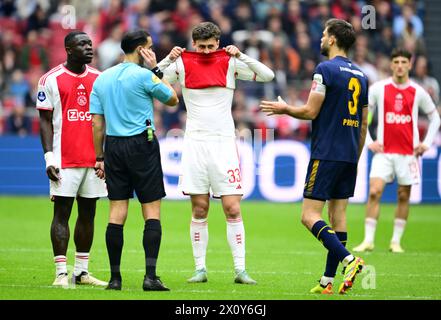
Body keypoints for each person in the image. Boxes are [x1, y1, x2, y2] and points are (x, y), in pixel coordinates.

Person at [157, 21, 274, 284]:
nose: (208, 52)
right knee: (199, 208)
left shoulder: (231, 63)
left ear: (218, 44)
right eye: (202, 47)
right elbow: (152, 81)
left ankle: (240, 270)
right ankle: (200, 269)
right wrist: (166, 60)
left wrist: (240, 55)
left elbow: (268, 75)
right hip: (195, 143)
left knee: (232, 208)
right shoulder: (182, 64)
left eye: (212, 46)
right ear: (193, 45)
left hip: (223, 143)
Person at [260, 18, 368, 294]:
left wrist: (284, 109)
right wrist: (355, 155)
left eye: (323, 34)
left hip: (327, 152)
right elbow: (364, 121)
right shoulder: (362, 75)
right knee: (339, 217)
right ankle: (328, 282)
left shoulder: (325, 70)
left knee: (309, 216)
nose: (320, 38)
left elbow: (310, 111)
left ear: (332, 39)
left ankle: (349, 259)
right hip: (349, 154)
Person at [90, 30, 179, 291]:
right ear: (141, 49)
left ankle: (115, 279)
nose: (152, 51)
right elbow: (172, 99)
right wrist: (157, 69)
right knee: (151, 211)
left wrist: (100, 157)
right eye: (150, 47)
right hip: (143, 144)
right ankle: (150, 277)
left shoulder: (102, 79)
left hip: (114, 146)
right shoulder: (144, 75)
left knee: (116, 213)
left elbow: (96, 123)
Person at [36, 31, 108, 287]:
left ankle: (81, 272)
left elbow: (104, 120)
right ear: (68, 49)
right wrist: (49, 159)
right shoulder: (50, 79)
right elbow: (45, 121)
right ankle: (60, 274)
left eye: (90, 43)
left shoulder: (100, 79)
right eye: (82, 44)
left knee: (88, 214)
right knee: (62, 214)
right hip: (64, 160)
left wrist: (104, 156)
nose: (89, 48)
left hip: (93, 161)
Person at [353, 49, 441, 253]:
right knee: (374, 192)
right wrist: (369, 142)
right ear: (391, 65)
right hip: (383, 152)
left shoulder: (418, 91)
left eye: (403, 61)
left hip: (407, 153)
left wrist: (426, 143)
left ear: (409, 65)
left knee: (403, 195)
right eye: (396, 61)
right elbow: (363, 117)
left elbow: (435, 117)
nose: (400, 65)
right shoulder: (378, 89)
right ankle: (368, 241)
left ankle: (395, 241)